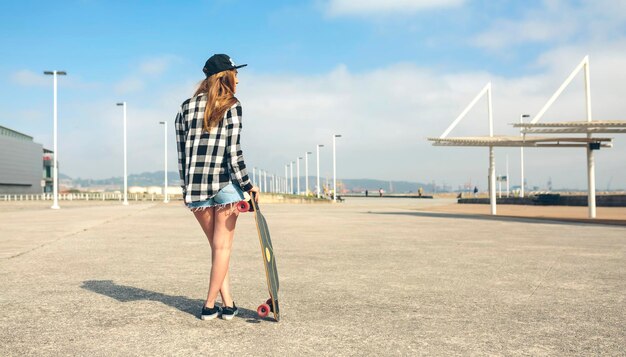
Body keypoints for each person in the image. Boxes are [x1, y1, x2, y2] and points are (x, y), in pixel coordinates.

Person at [175, 54, 259, 321]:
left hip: (196, 188)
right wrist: (248, 185)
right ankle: (209, 305)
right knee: (222, 249)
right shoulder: (232, 105)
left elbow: (181, 155)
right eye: (236, 72)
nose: (239, 78)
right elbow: (233, 153)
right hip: (224, 185)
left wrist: (185, 188)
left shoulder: (185, 108)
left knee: (217, 248)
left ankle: (229, 303)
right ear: (226, 76)